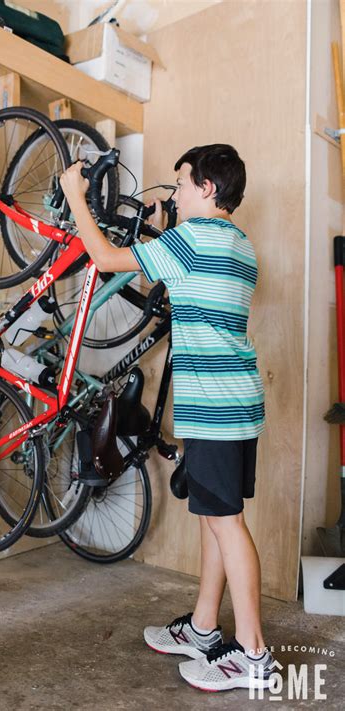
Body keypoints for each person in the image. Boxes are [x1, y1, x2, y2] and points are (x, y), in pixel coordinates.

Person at [59, 144, 276, 693]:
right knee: (214, 515)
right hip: (235, 405)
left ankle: (255, 656)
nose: (174, 195)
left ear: (207, 188)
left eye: (181, 186)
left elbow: (105, 259)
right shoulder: (238, 245)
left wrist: (75, 198)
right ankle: (204, 629)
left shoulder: (190, 241)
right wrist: (165, 230)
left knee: (226, 524)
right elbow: (190, 269)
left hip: (215, 409)